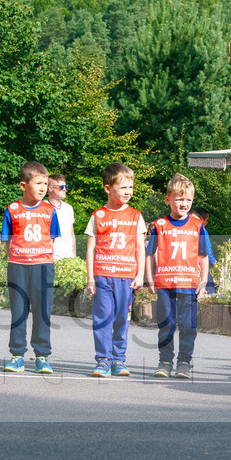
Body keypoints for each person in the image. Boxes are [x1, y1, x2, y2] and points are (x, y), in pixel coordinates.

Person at [145, 174, 210, 379]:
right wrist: (149, 278)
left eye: (188, 200)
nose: (184, 204)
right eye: (179, 199)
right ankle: (165, 361)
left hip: (189, 284)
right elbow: (150, 254)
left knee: (188, 325)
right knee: (166, 324)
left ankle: (184, 362)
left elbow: (203, 256)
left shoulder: (197, 226)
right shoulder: (159, 225)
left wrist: (204, 281)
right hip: (165, 283)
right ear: (168, 200)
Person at [85, 162, 145, 378]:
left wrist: (140, 275)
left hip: (126, 277)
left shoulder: (136, 216)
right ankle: (103, 359)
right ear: (108, 188)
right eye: (122, 187)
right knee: (103, 318)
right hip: (103, 275)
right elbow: (91, 248)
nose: (128, 192)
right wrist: (90, 277)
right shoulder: (98, 216)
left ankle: (119, 359)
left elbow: (140, 247)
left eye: (130, 187)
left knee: (122, 318)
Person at [0, 161, 61, 374]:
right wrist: (19, 256)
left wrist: (41, 258)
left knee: (42, 312)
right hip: (18, 266)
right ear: (23, 185)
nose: (43, 188)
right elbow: (7, 240)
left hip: (43, 267)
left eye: (46, 183)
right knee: (19, 312)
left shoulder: (50, 210)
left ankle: (42, 356)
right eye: (38, 183)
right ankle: (17, 355)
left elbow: (52, 239)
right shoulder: (12, 209)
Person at [48, 174, 76, 260]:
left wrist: (74, 256)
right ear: (50, 188)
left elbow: (72, 234)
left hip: (69, 258)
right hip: (50, 259)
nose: (64, 189)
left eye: (66, 186)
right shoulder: (42, 207)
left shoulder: (69, 208)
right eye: (61, 187)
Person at [193, 208, 217, 297]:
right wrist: (214, 262)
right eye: (207, 220)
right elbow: (207, 250)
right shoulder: (202, 230)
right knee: (210, 292)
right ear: (201, 219)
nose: (206, 223)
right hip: (201, 266)